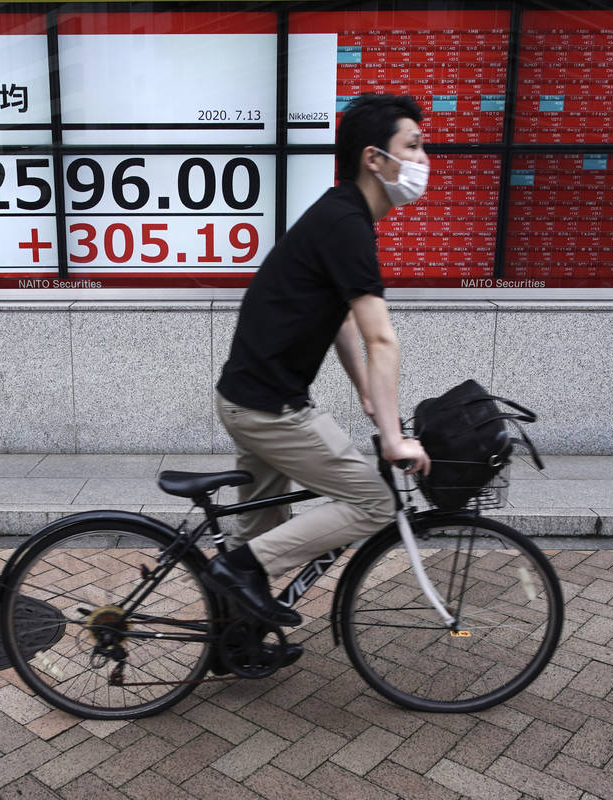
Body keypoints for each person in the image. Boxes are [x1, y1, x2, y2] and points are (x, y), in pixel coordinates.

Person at [204, 93, 432, 640]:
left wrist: (369, 397)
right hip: (269, 408)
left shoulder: (341, 214)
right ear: (375, 159)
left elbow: (338, 321)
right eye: (415, 147)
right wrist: (393, 438)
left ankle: (234, 642)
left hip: (251, 397)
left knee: (258, 530)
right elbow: (382, 338)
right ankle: (239, 571)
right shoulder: (346, 223)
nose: (424, 162)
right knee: (373, 502)